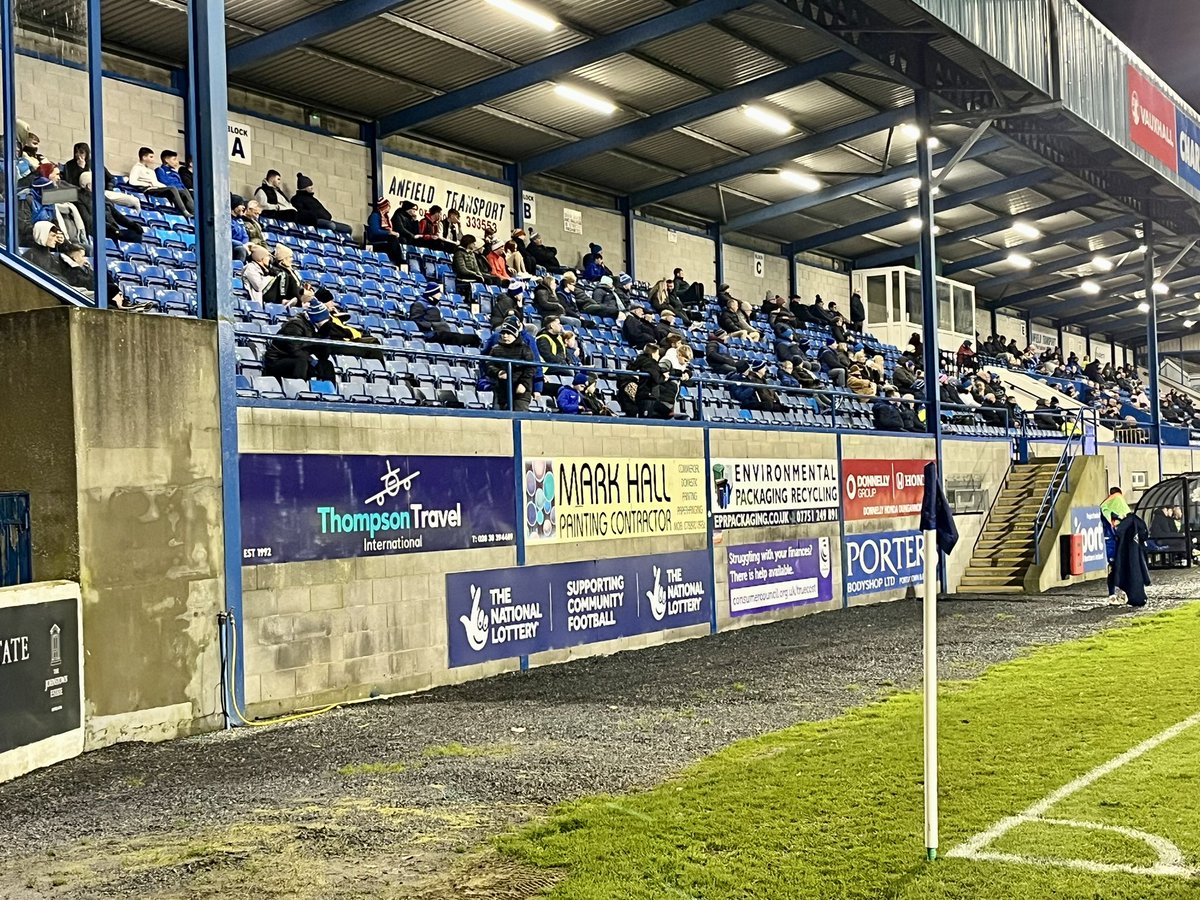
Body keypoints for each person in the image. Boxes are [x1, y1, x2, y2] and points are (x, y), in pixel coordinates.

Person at [262, 292, 337, 382]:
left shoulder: (317, 328)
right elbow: (294, 350)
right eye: (323, 320)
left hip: (301, 359)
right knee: (301, 362)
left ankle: (328, 392)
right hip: (277, 361)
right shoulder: (295, 325)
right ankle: (299, 391)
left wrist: (325, 335)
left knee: (326, 365)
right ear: (316, 319)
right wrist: (313, 362)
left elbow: (323, 356)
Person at [407, 282, 483, 347]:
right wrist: (432, 326)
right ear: (432, 294)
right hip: (429, 334)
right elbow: (415, 321)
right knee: (454, 337)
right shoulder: (419, 304)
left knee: (470, 338)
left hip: (438, 333)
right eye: (438, 293)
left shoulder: (433, 305)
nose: (440, 295)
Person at [486, 318, 535, 411]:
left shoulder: (525, 349)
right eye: (503, 333)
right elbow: (489, 365)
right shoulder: (495, 349)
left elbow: (531, 368)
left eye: (508, 333)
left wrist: (523, 384)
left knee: (519, 419)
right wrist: (498, 372)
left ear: (515, 334)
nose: (505, 336)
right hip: (501, 391)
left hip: (520, 391)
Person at [79, 171, 143, 244]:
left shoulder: (100, 196)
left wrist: (132, 224)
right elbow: (89, 221)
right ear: (89, 186)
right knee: (134, 237)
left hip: (112, 229)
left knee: (136, 233)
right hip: (100, 231)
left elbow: (116, 214)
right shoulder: (81, 199)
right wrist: (111, 228)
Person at [366, 197, 407, 265]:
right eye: (388, 206)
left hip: (385, 238)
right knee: (392, 238)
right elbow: (375, 231)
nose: (389, 208)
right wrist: (389, 233)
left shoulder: (386, 217)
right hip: (376, 239)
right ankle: (398, 259)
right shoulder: (375, 216)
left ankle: (399, 258)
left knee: (402, 239)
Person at [155, 150, 196, 215]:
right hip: (172, 190)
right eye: (174, 159)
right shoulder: (160, 170)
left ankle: (194, 213)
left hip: (181, 191)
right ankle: (186, 211)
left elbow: (181, 183)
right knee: (179, 190)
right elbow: (163, 181)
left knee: (186, 190)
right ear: (166, 160)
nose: (176, 162)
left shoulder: (175, 172)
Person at [230, 195, 251, 261]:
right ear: (235, 206)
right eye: (241, 204)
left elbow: (245, 236)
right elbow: (226, 239)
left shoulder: (240, 221)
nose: (244, 207)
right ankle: (238, 270)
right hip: (232, 247)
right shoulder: (226, 220)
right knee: (241, 249)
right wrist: (242, 245)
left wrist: (246, 244)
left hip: (243, 245)